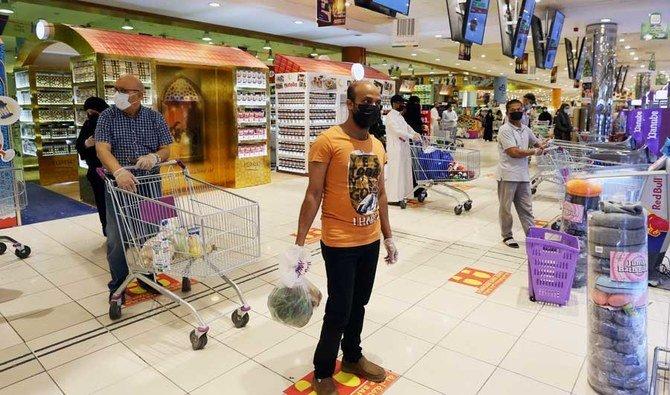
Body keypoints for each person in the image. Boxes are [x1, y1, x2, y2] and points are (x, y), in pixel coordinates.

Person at [294, 80, 397, 395]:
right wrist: (298, 246)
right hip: (339, 241)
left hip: (369, 240)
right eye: (366, 100)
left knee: (360, 303)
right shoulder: (327, 142)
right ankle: (324, 370)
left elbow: (379, 194)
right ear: (350, 104)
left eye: (377, 101)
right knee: (340, 306)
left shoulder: (377, 145)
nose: (373, 106)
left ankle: (352, 356)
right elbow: (313, 195)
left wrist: (388, 237)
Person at [95, 74, 177, 299]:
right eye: (117, 88)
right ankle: (118, 284)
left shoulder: (154, 117)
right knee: (117, 236)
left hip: (150, 184)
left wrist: (154, 157)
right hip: (119, 185)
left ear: (140, 95)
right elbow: (102, 149)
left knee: (151, 233)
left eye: (125, 90)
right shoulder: (107, 117)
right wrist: (119, 171)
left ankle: (149, 277)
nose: (119, 93)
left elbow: (166, 149)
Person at [497, 99, 547, 248]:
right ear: (507, 112)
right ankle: (507, 235)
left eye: (519, 109)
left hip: (523, 175)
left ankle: (532, 236)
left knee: (526, 208)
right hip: (508, 175)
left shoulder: (526, 129)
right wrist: (534, 151)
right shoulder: (505, 130)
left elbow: (537, 143)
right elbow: (513, 152)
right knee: (506, 208)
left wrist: (545, 145)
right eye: (513, 110)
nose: (517, 111)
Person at [75, 97, 109, 236]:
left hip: (114, 170)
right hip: (96, 171)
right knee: (102, 203)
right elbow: (79, 145)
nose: (90, 115)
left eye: (93, 112)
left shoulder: (110, 122)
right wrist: (86, 144)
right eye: (88, 112)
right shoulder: (88, 124)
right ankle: (108, 230)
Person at [385, 94, 422, 204]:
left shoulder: (399, 116)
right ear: (395, 104)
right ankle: (393, 198)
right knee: (396, 172)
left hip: (404, 147)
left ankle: (405, 194)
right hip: (395, 148)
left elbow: (407, 127)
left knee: (404, 171)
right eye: (401, 103)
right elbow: (397, 131)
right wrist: (411, 136)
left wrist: (414, 133)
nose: (403, 105)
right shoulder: (390, 116)